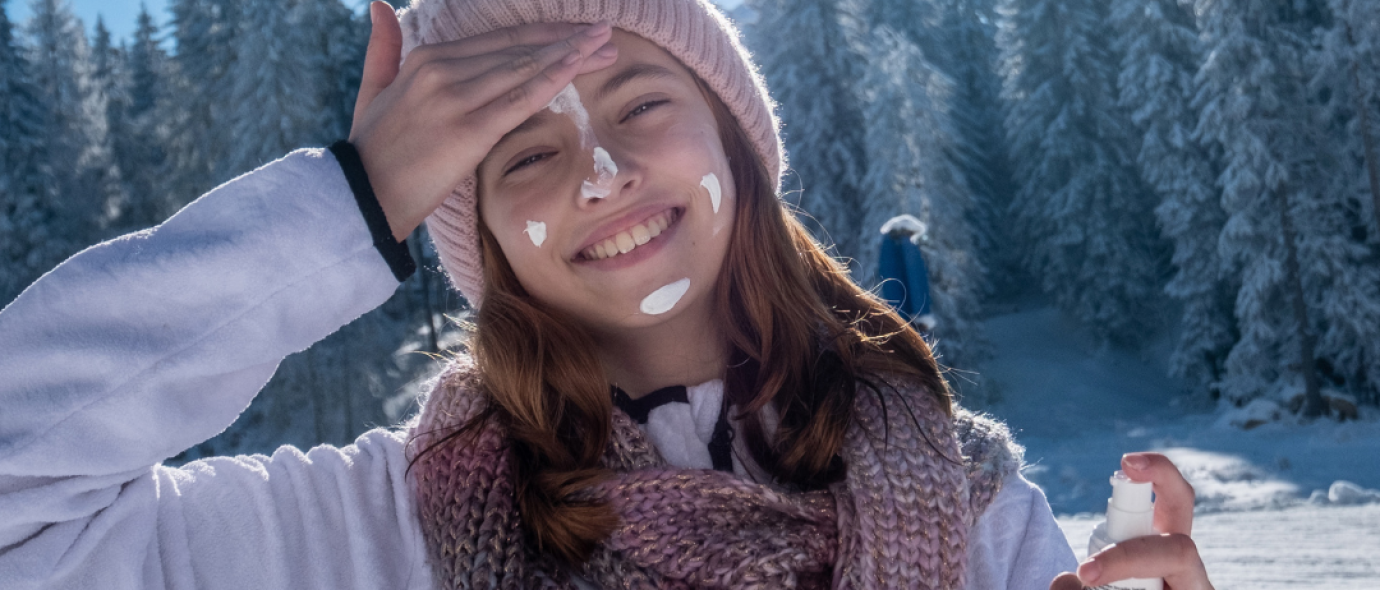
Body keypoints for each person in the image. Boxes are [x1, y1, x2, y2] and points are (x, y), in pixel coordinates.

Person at [0, 1, 1214, 588]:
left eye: (639, 102)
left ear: (734, 138)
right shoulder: (368, 529)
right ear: (473, 232)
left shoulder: (974, 513)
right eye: (521, 152)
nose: (601, 171)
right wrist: (353, 198)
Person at [878, 214, 937, 336]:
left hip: (899, 321)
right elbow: (917, 284)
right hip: (912, 325)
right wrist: (921, 316)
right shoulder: (910, 249)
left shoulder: (887, 249)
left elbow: (890, 286)